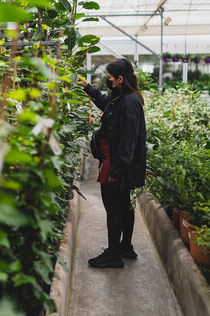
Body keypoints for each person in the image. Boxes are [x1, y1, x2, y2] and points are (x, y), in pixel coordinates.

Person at [77, 58, 146, 268]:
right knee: (123, 206)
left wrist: (116, 170)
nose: (107, 81)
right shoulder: (122, 97)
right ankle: (125, 247)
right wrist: (88, 89)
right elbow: (107, 104)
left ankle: (114, 254)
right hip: (116, 161)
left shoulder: (130, 102)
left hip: (117, 163)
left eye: (109, 78)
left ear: (120, 79)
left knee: (114, 207)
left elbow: (129, 139)